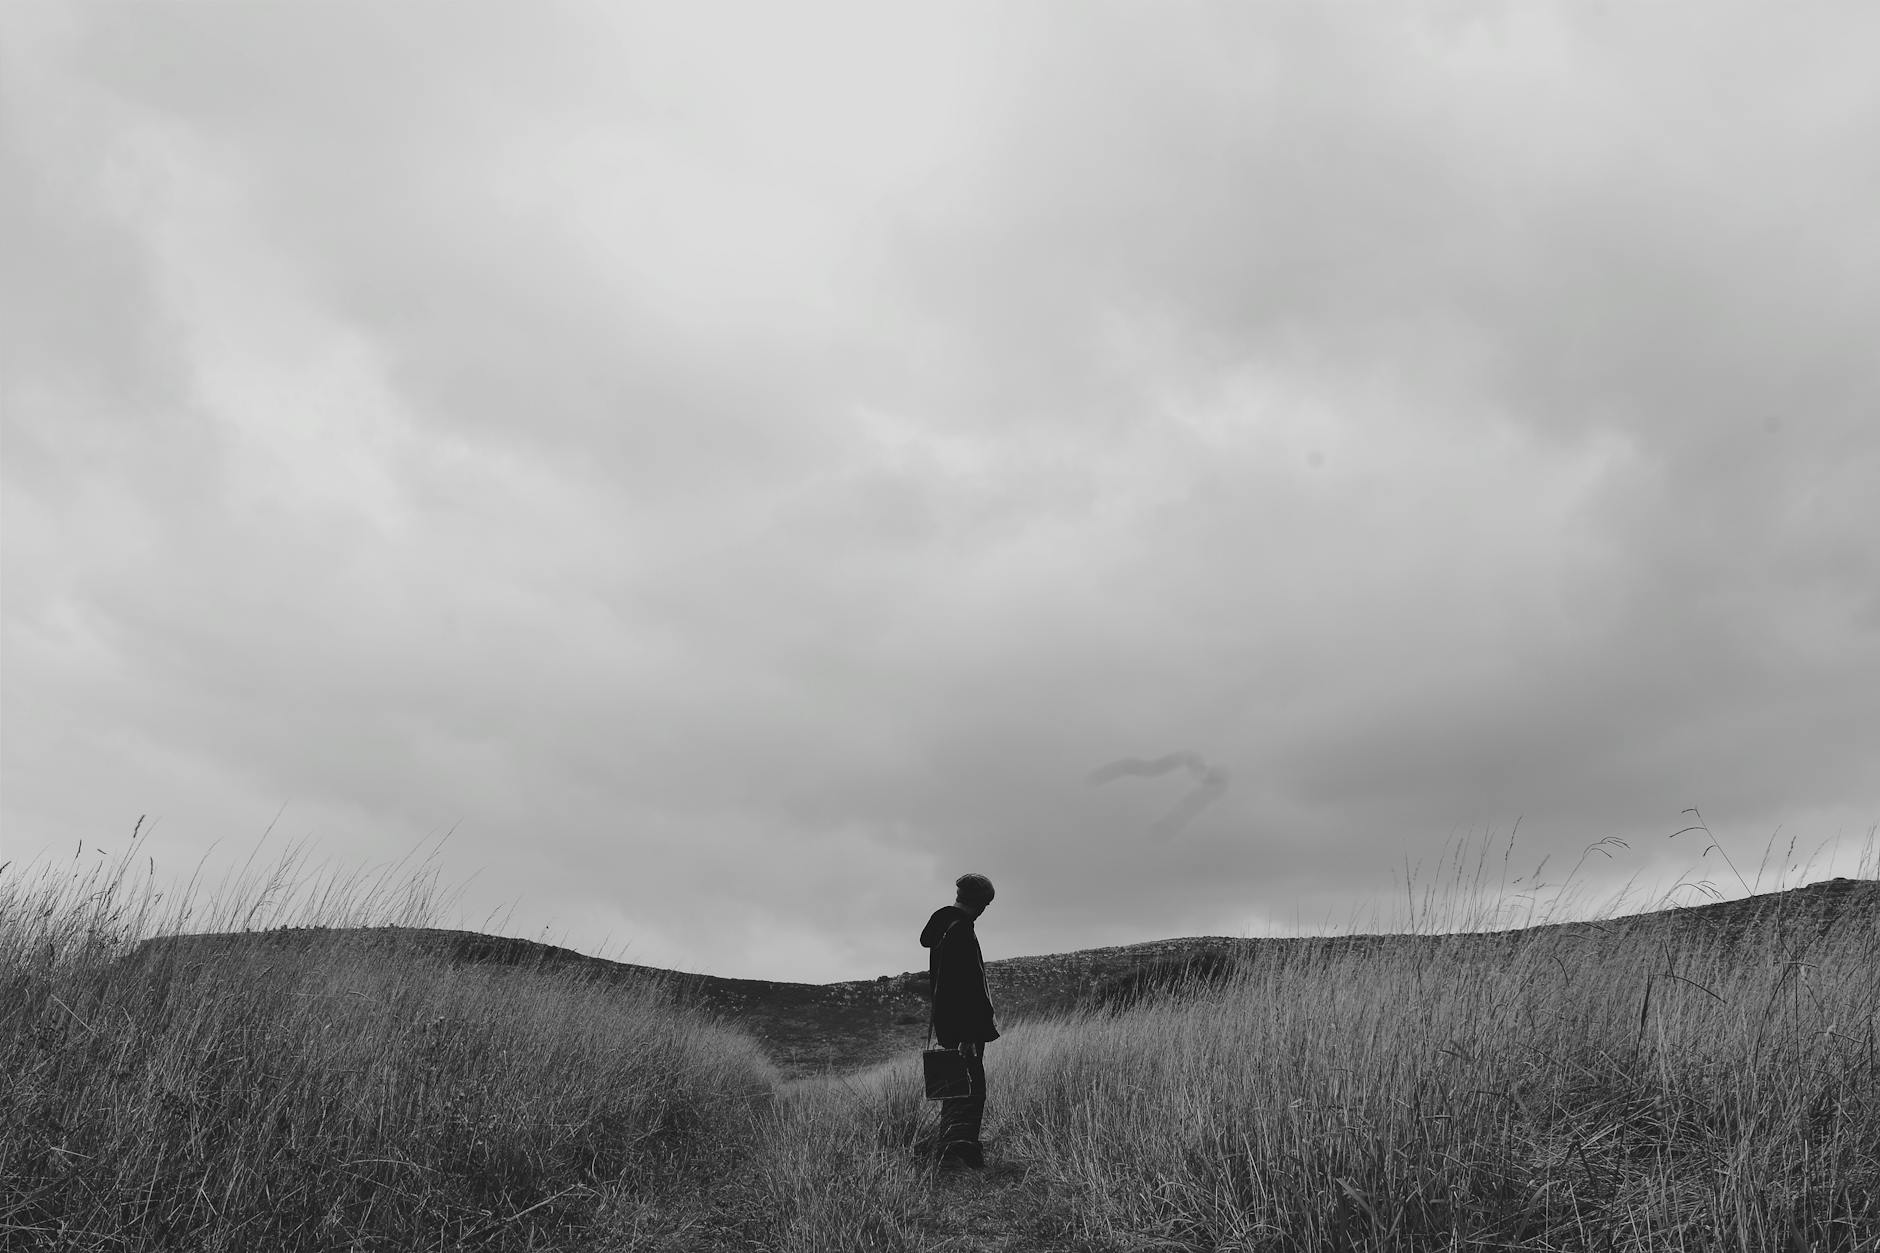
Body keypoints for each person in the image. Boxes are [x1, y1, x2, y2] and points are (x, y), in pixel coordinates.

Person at [920, 873, 998, 1168]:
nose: (984, 910)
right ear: (978, 903)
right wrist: (968, 1035)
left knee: (955, 1089)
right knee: (971, 1090)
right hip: (965, 1029)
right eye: (985, 904)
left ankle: (951, 1150)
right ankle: (959, 1155)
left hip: (949, 1026)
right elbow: (963, 987)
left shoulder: (944, 927)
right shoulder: (961, 930)